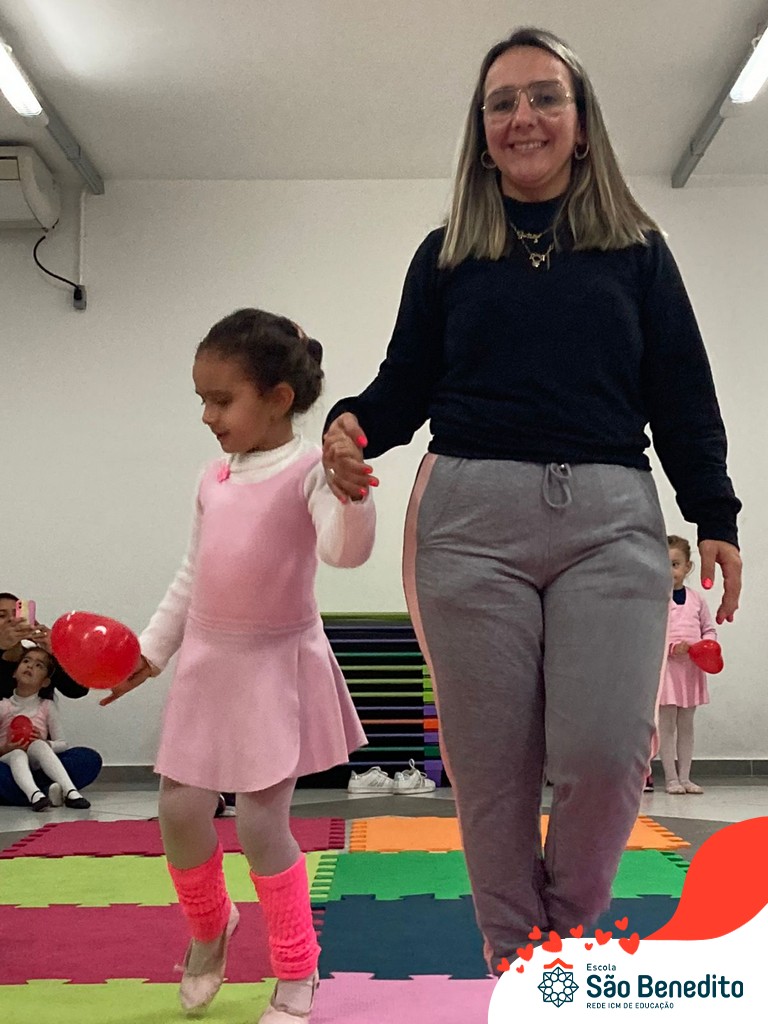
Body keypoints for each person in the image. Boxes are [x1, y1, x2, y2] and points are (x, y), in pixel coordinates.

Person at [322, 27, 742, 972]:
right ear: (481, 132)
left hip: (611, 520)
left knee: (606, 754)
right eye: (502, 102)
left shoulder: (637, 251)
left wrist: (714, 513)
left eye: (546, 96)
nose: (524, 116)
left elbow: (682, 389)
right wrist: (349, 426)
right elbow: (403, 386)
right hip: (469, 523)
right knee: (491, 769)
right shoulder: (445, 256)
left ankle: (568, 930)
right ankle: (520, 963)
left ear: (582, 124)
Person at [100, 309, 375, 1022]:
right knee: (178, 809)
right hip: (208, 663)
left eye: (221, 400)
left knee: (259, 822)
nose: (207, 415)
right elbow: (192, 575)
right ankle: (209, 926)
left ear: (279, 398)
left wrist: (353, 493)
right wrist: (149, 652)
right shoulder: (213, 477)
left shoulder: (310, 471)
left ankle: (297, 966)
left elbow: (343, 552)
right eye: (202, 399)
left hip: (274, 667)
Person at [0, 593, 102, 805]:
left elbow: (78, 690)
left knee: (88, 759)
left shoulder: (37, 659)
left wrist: (55, 652)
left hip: (40, 756)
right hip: (4, 757)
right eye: (2, 616)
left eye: (16, 615)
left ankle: (31, 792)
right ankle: (47, 791)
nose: (11, 621)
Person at [658, 535, 717, 795]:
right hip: (668, 670)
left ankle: (685, 777)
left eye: (675, 564)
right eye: (665, 564)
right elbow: (652, 633)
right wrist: (672, 648)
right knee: (667, 725)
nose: (670, 571)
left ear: (687, 567)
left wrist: (708, 646)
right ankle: (671, 779)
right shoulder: (657, 600)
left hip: (692, 669)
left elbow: (709, 629)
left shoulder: (697, 600)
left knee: (686, 725)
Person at [0, 647, 92, 810]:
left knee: (88, 758)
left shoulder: (46, 706)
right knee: (17, 755)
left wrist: (45, 743)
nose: (30, 666)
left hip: (39, 764)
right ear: (14, 673)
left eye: (39, 665)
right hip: (8, 762)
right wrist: (5, 748)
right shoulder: (3, 706)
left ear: (45, 682)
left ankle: (70, 792)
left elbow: (62, 743)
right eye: (26, 661)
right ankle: (37, 794)